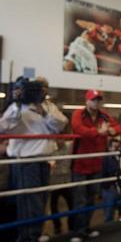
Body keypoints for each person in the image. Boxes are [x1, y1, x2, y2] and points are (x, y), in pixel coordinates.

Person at [0, 77, 68, 242]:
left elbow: (61, 124)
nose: (41, 90)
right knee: (29, 201)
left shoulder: (49, 107)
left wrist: (43, 112)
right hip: (26, 161)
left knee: (41, 199)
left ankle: (35, 234)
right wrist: (17, 102)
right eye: (38, 87)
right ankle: (27, 237)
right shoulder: (17, 107)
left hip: (44, 160)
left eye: (44, 87)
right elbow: (4, 126)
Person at [70, 89, 121, 242]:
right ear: (87, 101)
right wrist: (99, 132)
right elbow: (78, 129)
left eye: (98, 100)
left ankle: (86, 228)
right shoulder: (78, 114)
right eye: (93, 99)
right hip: (80, 165)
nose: (96, 102)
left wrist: (112, 131)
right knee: (79, 200)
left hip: (96, 164)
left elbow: (120, 128)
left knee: (91, 199)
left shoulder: (104, 115)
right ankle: (78, 232)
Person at [101, 138, 121, 222]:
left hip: (119, 186)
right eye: (115, 147)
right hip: (110, 187)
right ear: (110, 148)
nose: (117, 148)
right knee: (109, 212)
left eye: (118, 146)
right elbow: (111, 171)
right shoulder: (108, 158)